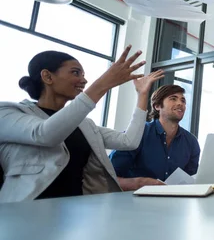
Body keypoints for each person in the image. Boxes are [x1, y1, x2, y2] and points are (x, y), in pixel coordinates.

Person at [0, 47, 163, 203]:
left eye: (83, 74)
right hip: (21, 215)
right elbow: (45, 134)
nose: (84, 80)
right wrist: (103, 84)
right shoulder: (8, 112)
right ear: (48, 77)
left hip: (76, 216)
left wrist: (142, 94)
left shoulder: (84, 124)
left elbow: (129, 141)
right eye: (75, 72)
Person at [110, 84, 200, 190]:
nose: (180, 103)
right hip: (134, 202)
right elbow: (108, 178)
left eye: (183, 101)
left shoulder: (191, 142)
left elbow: (192, 180)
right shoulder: (138, 134)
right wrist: (139, 183)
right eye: (173, 99)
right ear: (157, 106)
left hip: (174, 203)